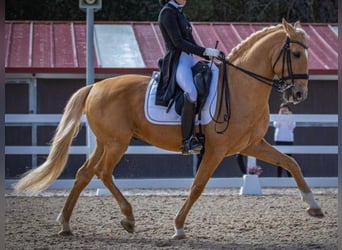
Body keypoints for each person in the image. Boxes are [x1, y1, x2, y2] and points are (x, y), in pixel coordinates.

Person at [156, 0, 221, 155]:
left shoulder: (179, 13)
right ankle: (187, 141)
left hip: (189, 59)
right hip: (177, 60)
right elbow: (178, 42)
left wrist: (211, 54)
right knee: (191, 91)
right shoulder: (167, 13)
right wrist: (205, 51)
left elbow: (191, 42)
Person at [273, 102, 295, 177]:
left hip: (288, 139)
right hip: (279, 139)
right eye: (283, 110)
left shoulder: (291, 117)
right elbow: (276, 125)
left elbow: (292, 126)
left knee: (289, 158)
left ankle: (290, 176)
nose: (284, 112)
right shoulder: (278, 116)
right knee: (279, 159)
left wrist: (289, 117)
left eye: (286, 110)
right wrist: (280, 116)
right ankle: (279, 176)